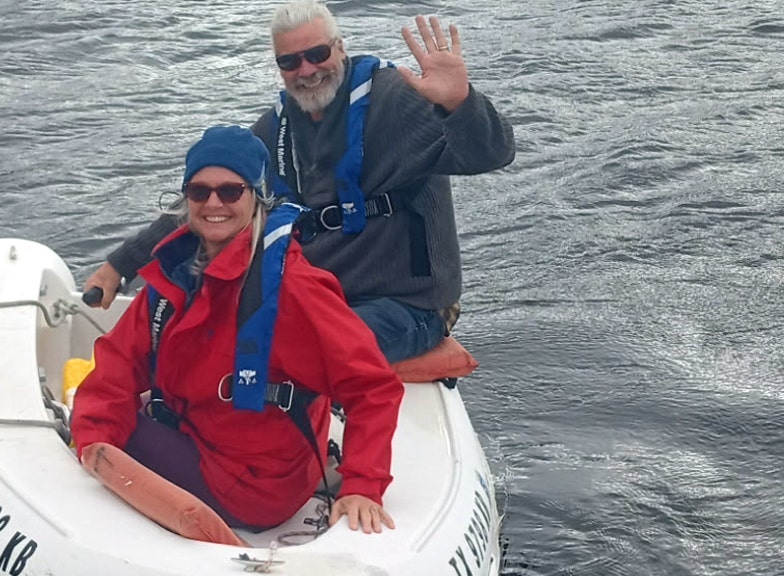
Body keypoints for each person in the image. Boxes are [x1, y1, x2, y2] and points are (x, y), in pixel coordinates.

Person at [84, 0, 515, 363]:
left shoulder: (399, 100)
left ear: (340, 47)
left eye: (317, 54)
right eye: (289, 61)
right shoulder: (276, 129)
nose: (306, 70)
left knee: (290, 350)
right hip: (316, 296)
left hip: (408, 305)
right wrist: (120, 265)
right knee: (208, 328)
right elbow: (208, 200)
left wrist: (460, 103)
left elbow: (492, 153)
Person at [71, 125, 403, 534]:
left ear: (256, 198)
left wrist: (364, 485)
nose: (214, 203)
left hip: (250, 486)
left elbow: (373, 386)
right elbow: (119, 365)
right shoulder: (175, 276)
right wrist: (95, 425)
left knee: (98, 439)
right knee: (101, 415)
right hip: (217, 443)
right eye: (199, 191)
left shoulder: (292, 288)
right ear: (186, 198)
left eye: (230, 191)